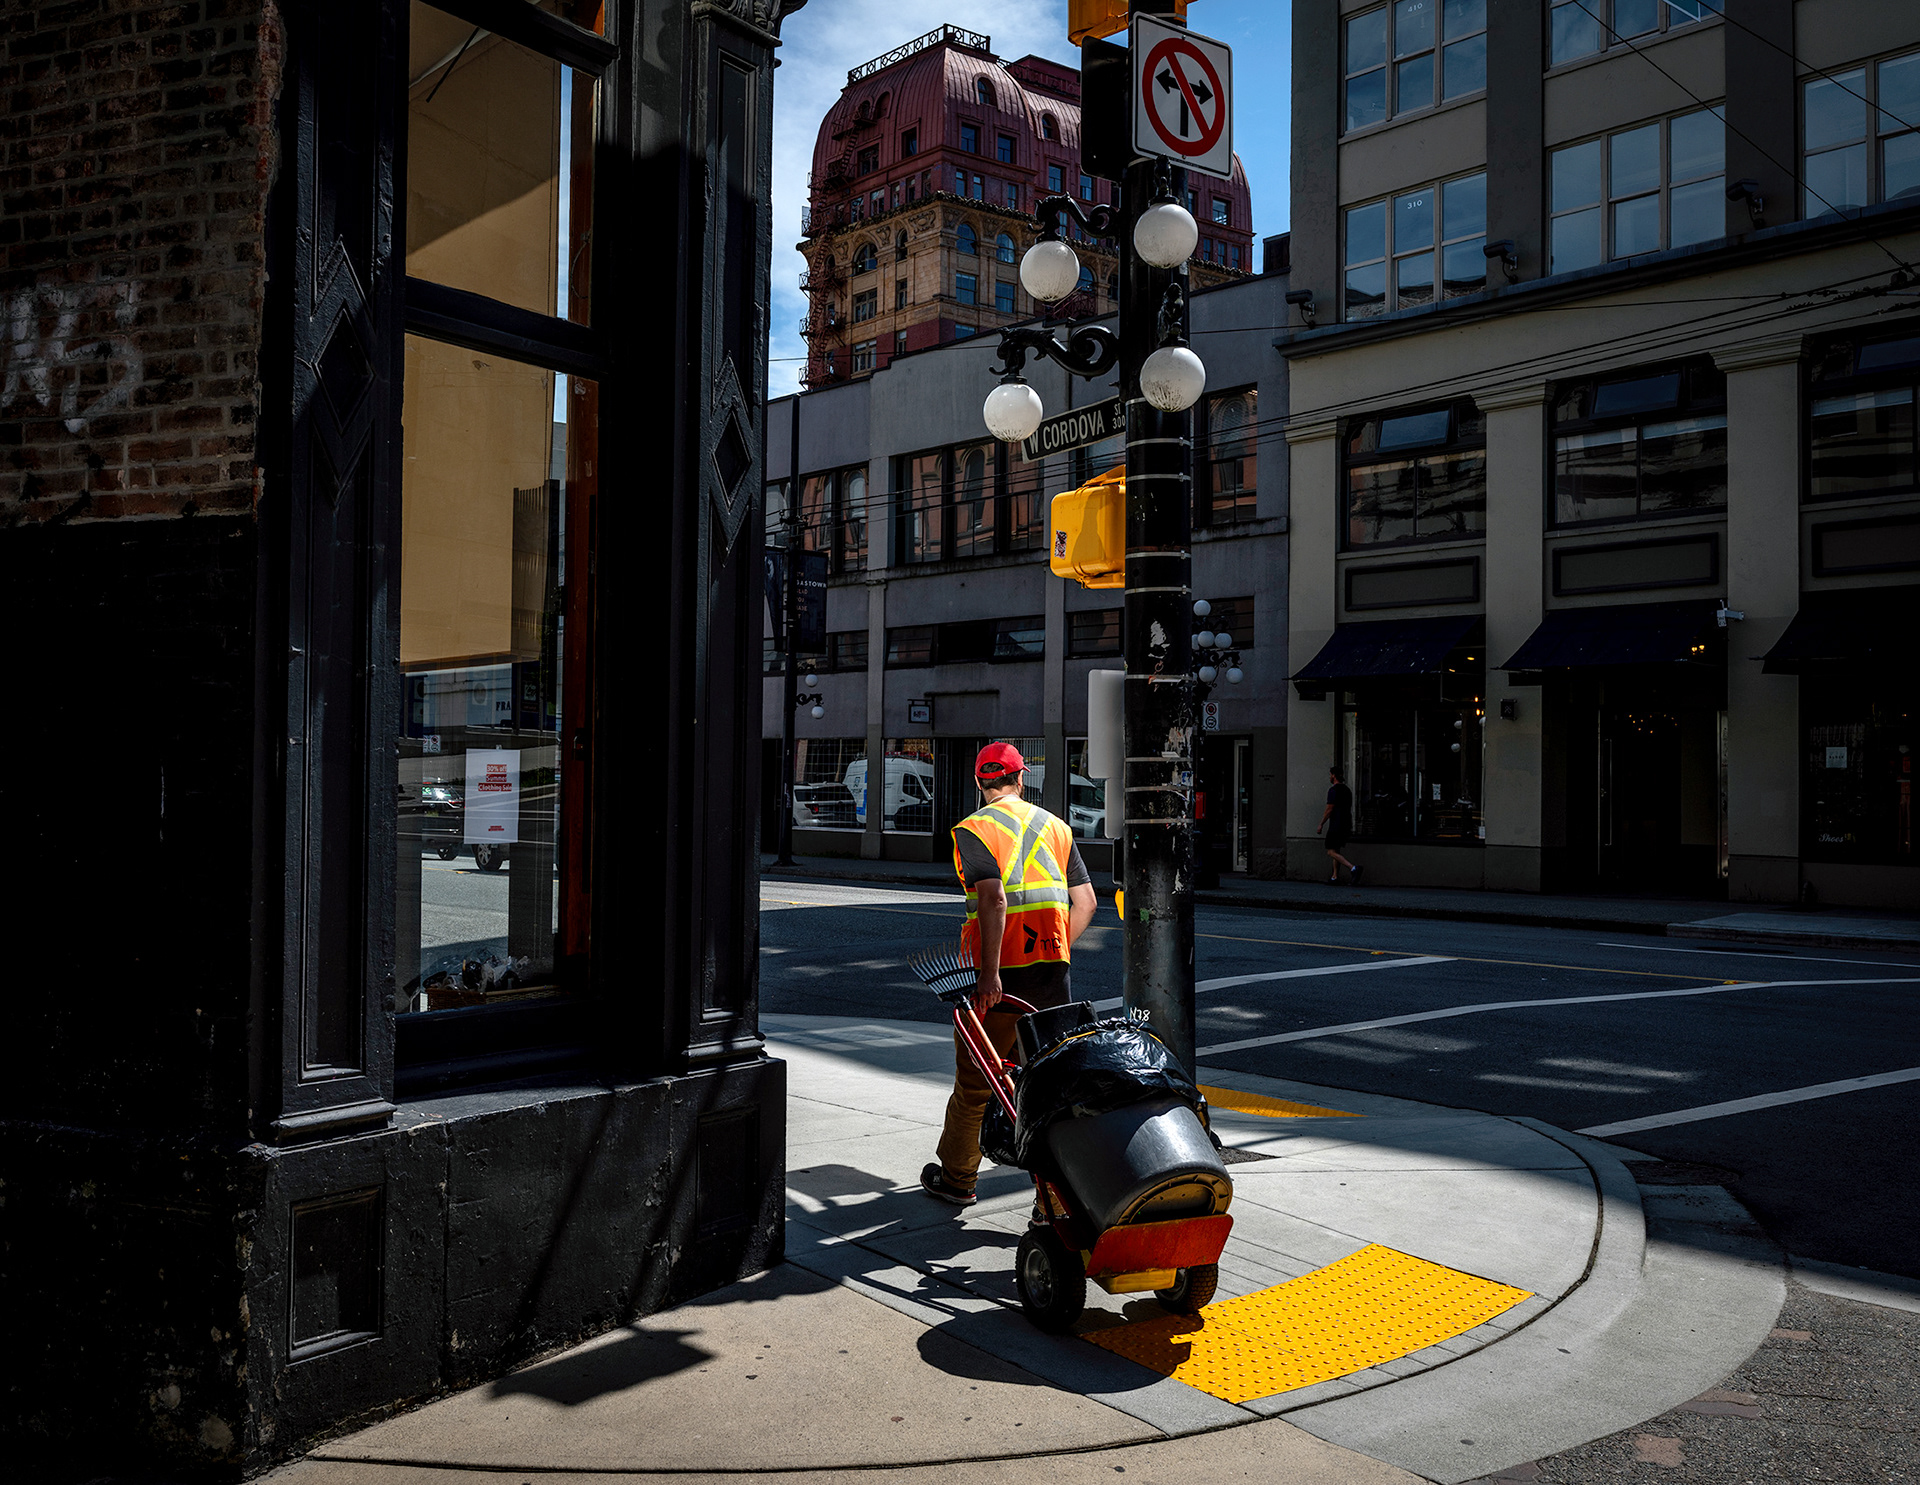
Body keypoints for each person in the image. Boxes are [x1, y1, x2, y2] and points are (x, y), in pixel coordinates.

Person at [921, 742, 1099, 1207]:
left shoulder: (974, 828)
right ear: (1022, 780)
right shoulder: (1057, 827)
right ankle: (1057, 1198)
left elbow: (994, 900)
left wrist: (990, 975)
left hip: (999, 980)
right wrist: (1054, 946)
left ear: (979, 782)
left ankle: (958, 1179)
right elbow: (1087, 904)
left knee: (977, 1083)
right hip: (1051, 978)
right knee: (1051, 1086)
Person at [1319, 764, 1362, 885]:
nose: (1330, 777)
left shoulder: (1333, 790)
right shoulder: (1347, 790)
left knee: (1330, 851)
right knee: (1336, 850)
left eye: (1331, 775)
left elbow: (1329, 809)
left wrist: (1321, 824)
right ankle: (1335, 877)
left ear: (1333, 776)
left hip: (1335, 824)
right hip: (1345, 823)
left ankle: (1353, 868)